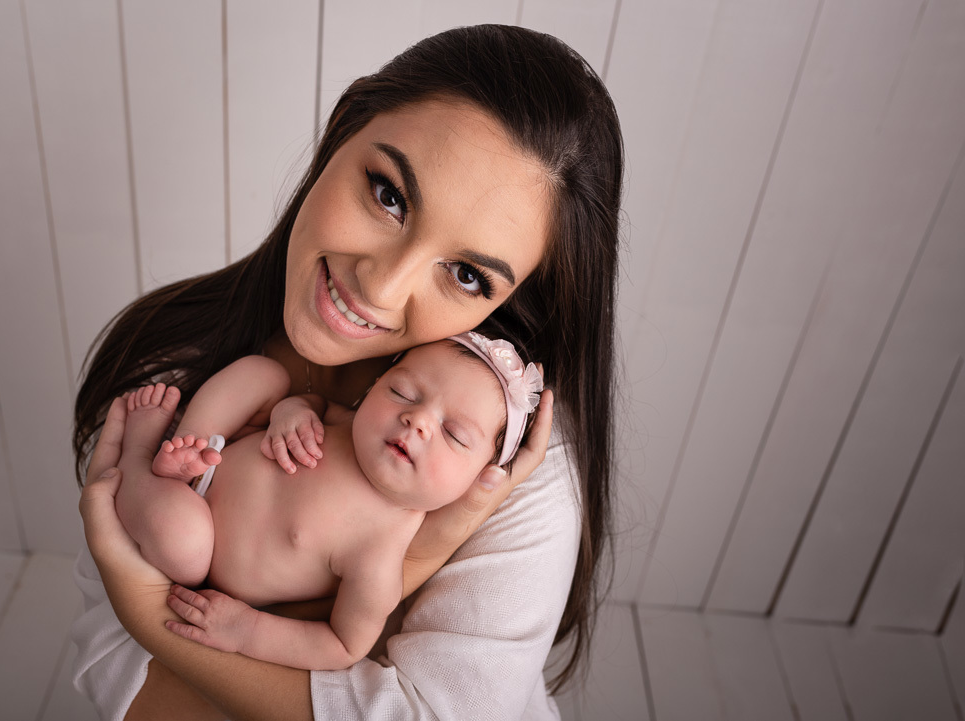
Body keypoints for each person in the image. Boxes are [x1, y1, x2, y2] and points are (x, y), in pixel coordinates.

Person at [73, 23, 623, 721]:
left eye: (465, 274)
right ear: (343, 127)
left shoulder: (512, 474)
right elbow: (117, 676)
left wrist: (150, 615)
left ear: (514, 300)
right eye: (389, 195)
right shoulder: (178, 357)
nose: (382, 287)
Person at [112, 333, 543, 671]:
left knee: (182, 543)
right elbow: (310, 401)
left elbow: (342, 646)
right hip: (214, 456)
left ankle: (138, 456)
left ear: (478, 479)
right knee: (265, 375)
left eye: (454, 435)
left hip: (202, 542)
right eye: (403, 393)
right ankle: (187, 446)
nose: (419, 420)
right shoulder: (347, 421)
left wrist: (247, 630)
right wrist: (292, 412)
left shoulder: (379, 555)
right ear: (374, 387)